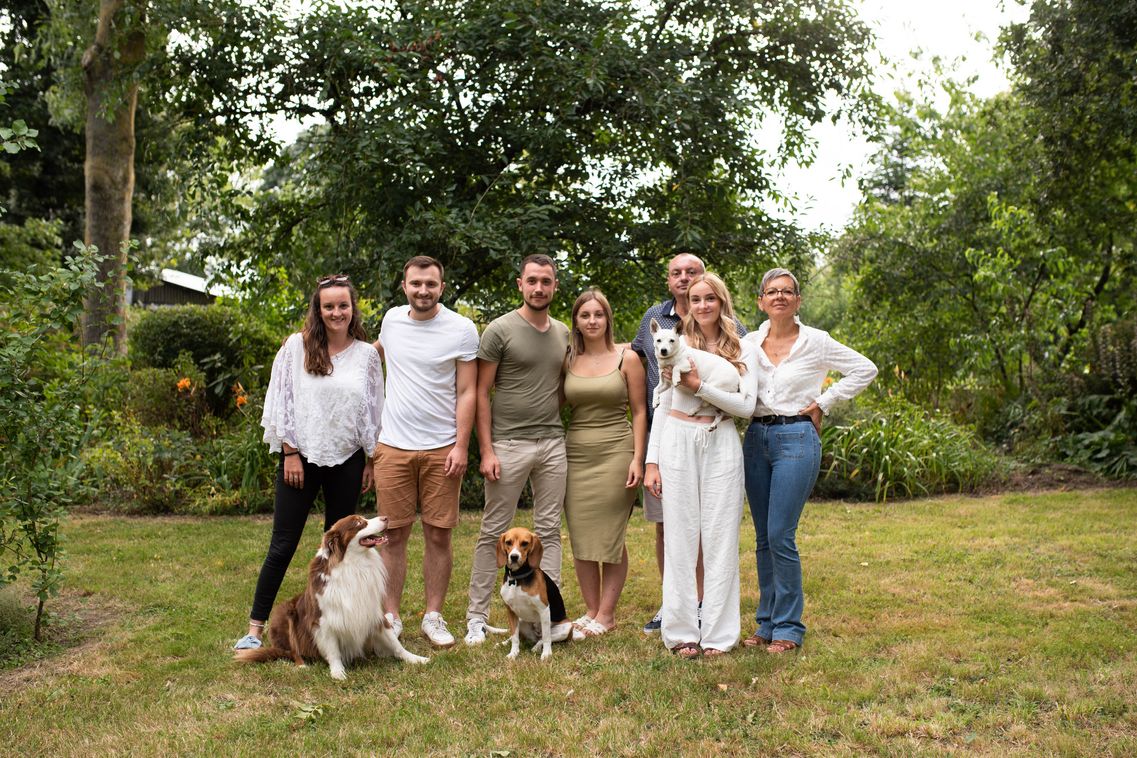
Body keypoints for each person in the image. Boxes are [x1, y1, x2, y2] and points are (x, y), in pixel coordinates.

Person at [234, 274, 383, 650]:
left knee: (340, 548)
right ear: (318, 310)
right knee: (283, 544)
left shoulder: (366, 355)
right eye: (328, 306)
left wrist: (369, 459)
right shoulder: (295, 348)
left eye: (343, 305)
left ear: (353, 309)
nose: (336, 312)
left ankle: (336, 625)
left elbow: (372, 410)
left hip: (348, 459)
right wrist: (290, 452)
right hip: (300, 460)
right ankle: (254, 630)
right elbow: (282, 400)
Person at [740, 267, 877, 653]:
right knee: (763, 537)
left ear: (798, 301)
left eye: (788, 291)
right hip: (756, 437)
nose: (780, 297)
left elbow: (865, 369)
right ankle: (764, 624)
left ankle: (788, 628)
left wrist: (824, 402)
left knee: (781, 533)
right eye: (772, 291)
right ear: (761, 301)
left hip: (797, 437)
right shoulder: (748, 343)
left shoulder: (816, 341)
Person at [630, 253, 747, 633]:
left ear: (720, 299)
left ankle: (712, 615)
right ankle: (677, 609)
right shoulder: (668, 334)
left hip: (718, 436)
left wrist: (700, 388)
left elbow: (747, 401)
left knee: (717, 531)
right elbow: (646, 375)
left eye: (707, 296)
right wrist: (651, 459)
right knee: (675, 531)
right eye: (695, 299)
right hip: (673, 436)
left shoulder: (739, 340)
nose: (700, 303)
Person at [464, 254, 571, 645]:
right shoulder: (499, 330)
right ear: (519, 284)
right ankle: (476, 617)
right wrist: (487, 450)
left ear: (554, 286)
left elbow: (560, 387)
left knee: (549, 531)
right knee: (494, 530)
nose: (539, 287)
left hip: (553, 443)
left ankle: (549, 617)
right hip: (507, 444)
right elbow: (480, 391)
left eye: (546, 281)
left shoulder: (563, 333)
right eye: (532, 281)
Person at [373, 256, 478, 648]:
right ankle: (391, 616)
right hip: (393, 446)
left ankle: (433, 617)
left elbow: (468, 391)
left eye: (430, 284)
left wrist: (462, 445)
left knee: (438, 535)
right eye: (416, 283)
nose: (423, 290)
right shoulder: (391, 321)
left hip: (442, 449)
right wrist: (309, 347)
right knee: (393, 536)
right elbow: (369, 355)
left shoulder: (461, 329)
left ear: (442, 287)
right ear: (404, 286)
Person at [563, 288, 647, 636]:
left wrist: (638, 460)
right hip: (576, 453)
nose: (593, 320)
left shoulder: (626, 359)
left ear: (607, 319)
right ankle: (592, 611)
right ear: (577, 322)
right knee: (581, 535)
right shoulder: (567, 360)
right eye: (586, 315)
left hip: (617, 450)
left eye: (599, 314)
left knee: (611, 535)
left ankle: (607, 615)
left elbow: (640, 411)